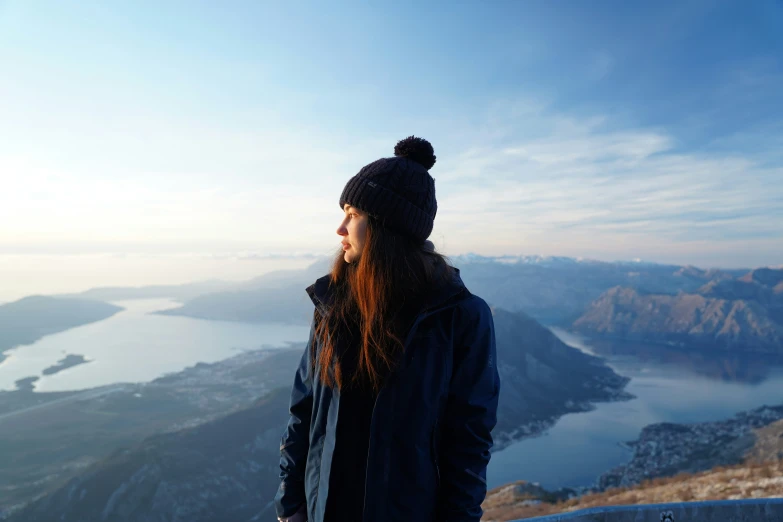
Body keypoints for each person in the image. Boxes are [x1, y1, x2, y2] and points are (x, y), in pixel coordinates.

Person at [274, 136, 500, 522]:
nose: (340, 228)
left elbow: (468, 441)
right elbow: (304, 410)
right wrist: (291, 504)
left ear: (384, 227)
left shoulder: (458, 317)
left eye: (352, 213)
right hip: (323, 510)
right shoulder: (333, 305)